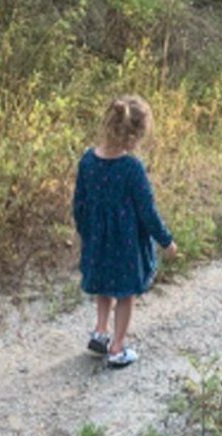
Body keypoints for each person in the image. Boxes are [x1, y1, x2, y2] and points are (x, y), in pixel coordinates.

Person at [72, 95, 178, 367]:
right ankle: (117, 348)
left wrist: (86, 233)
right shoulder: (132, 168)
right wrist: (166, 241)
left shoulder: (87, 160)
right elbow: (147, 211)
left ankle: (100, 331)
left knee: (104, 287)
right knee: (126, 294)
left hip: (97, 239)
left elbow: (79, 204)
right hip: (126, 244)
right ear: (136, 135)